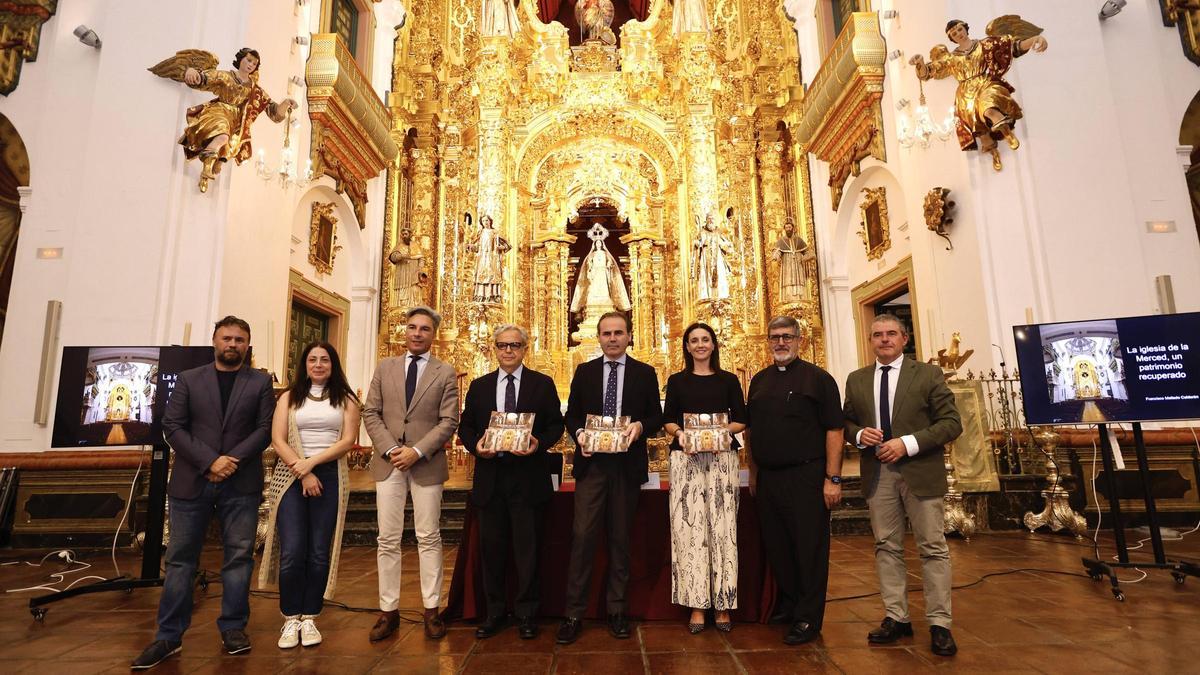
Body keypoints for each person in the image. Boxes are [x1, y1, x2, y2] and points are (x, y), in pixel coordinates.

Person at [131, 316, 276, 670]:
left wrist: (232, 461)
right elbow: (173, 426)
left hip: (240, 483)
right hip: (192, 481)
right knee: (180, 560)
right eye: (227, 338)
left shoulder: (259, 383)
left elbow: (264, 429)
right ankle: (169, 635)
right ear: (214, 341)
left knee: (239, 558)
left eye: (240, 339)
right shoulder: (189, 380)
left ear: (248, 344)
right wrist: (210, 461)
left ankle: (233, 628)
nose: (232, 344)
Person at [842, 313, 963, 657]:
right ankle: (897, 616)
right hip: (878, 473)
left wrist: (907, 443)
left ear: (904, 338)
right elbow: (847, 419)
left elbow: (951, 423)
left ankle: (940, 624)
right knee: (886, 546)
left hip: (919, 471)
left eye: (891, 333)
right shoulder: (857, 379)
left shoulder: (926, 374)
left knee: (932, 547)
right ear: (870, 340)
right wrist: (858, 435)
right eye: (877, 334)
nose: (884, 339)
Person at [557, 311, 663, 645]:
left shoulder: (645, 373)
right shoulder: (585, 371)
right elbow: (572, 414)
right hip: (593, 466)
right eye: (607, 333)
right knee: (583, 536)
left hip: (627, 466)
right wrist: (580, 435)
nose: (613, 338)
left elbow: (656, 415)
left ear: (629, 336)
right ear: (599, 337)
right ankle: (573, 613)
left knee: (620, 538)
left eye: (619, 332)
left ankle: (617, 610)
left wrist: (640, 427)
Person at [458, 324, 564, 640]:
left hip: (528, 479)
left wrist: (538, 443)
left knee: (527, 551)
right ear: (495, 348)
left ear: (524, 349)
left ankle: (527, 614)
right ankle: (494, 613)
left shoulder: (542, 384)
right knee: (492, 551)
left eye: (514, 345)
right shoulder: (479, 386)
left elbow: (555, 425)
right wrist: (476, 446)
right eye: (502, 345)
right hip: (491, 479)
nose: (508, 351)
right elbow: (466, 428)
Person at [363, 306, 460, 641]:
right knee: (387, 539)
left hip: (426, 464)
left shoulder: (444, 371)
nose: (417, 333)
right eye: (412, 327)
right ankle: (388, 611)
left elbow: (449, 420)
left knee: (428, 537)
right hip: (389, 462)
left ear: (433, 335)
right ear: (405, 331)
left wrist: (416, 451)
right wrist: (392, 449)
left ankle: (431, 609)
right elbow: (371, 411)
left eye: (425, 329)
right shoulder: (385, 367)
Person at [746, 315, 843, 646]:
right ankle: (789, 603)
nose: (781, 343)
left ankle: (808, 617)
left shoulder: (819, 379)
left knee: (809, 548)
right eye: (774, 337)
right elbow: (752, 431)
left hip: (806, 475)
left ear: (799, 340)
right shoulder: (758, 381)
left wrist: (833, 478)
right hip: (770, 478)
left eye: (787, 337)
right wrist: (755, 473)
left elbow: (834, 429)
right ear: (768, 342)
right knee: (779, 546)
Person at [259, 341, 361, 649]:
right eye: (313, 359)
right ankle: (291, 617)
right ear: (304, 364)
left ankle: (310, 617)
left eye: (325, 360)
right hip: (291, 475)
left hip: (328, 475)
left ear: (333, 365)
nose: (318, 365)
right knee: (292, 550)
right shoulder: (289, 398)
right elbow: (277, 439)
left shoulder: (346, 400)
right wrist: (302, 471)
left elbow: (347, 441)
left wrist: (312, 465)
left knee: (318, 550)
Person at [661, 323, 746, 634]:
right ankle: (697, 604)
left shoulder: (728, 380)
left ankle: (723, 603)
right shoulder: (677, 381)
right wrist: (682, 434)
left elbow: (741, 419)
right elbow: (668, 420)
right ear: (686, 346)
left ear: (713, 345)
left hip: (723, 458)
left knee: (724, 528)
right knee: (691, 528)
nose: (699, 345)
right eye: (693, 340)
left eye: (705, 340)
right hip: (687, 459)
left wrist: (719, 432)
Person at [909, 19, 1048, 170]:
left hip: (984, 84)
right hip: (966, 95)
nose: (958, 34)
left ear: (966, 29)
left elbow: (1012, 48)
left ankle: (1007, 132)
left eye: (960, 29)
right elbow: (928, 73)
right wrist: (920, 63)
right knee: (980, 129)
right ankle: (993, 152)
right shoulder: (951, 58)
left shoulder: (984, 45)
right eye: (954, 33)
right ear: (952, 38)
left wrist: (1034, 39)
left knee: (989, 108)